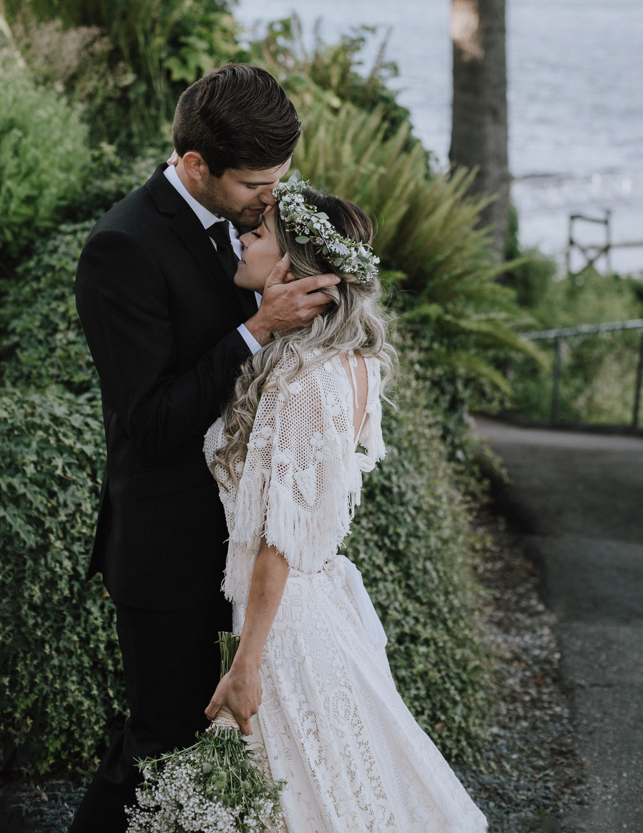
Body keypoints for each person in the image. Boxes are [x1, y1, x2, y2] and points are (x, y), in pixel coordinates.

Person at [71, 65, 340, 833]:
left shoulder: (256, 210)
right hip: (167, 547)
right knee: (158, 745)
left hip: (249, 545)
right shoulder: (122, 248)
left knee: (233, 746)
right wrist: (255, 329)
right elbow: (149, 421)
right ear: (194, 166)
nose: (272, 197)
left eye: (280, 178)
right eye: (257, 182)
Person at [203, 179, 488, 831]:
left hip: (280, 629)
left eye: (259, 232)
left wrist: (246, 665)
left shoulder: (301, 380)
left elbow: (280, 536)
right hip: (309, 608)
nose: (244, 234)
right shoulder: (351, 362)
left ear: (291, 267)